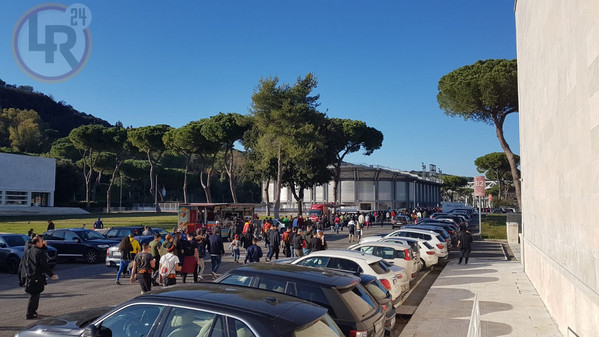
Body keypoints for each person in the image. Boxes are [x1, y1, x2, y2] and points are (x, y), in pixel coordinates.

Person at [19, 235, 58, 319]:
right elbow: (44, 265)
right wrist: (51, 275)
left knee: (35, 294)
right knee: (34, 294)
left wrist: (21, 277)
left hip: (29, 276)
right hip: (36, 276)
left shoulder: (28, 251)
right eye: (41, 241)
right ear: (37, 243)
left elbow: (22, 264)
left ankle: (33, 312)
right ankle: (29, 313)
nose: (43, 242)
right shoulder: (40, 252)